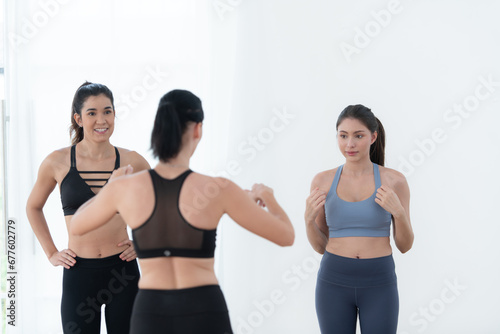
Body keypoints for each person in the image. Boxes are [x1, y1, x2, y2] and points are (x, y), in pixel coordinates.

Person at [69, 89, 295, 334]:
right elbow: (285, 235)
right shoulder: (219, 189)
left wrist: (110, 188)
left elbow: (77, 225)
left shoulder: (124, 189)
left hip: (150, 314)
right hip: (204, 310)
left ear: (158, 129)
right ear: (197, 130)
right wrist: (269, 199)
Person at [26, 82, 150, 334]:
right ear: (78, 118)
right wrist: (51, 253)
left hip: (123, 273)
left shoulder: (132, 160)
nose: (101, 119)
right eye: (92, 113)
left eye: (107, 111)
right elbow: (33, 207)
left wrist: (144, 241)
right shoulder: (57, 161)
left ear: (115, 114)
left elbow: (162, 203)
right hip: (78, 273)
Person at [305, 104, 414, 334]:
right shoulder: (322, 181)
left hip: (379, 282)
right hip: (333, 281)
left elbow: (404, 246)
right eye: (343, 136)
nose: (349, 144)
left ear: (373, 137)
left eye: (358, 136)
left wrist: (399, 213)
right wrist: (308, 221)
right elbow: (320, 246)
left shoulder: (394, 181)